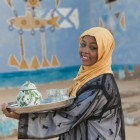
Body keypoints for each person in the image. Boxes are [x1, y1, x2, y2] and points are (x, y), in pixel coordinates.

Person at [1, 27, 125, 140]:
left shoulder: (100, 86)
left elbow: (68, 117)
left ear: (104, 52)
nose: (85, 51)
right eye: (83, 45)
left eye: (93, 47)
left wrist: (21, 117)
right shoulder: (87, 77)